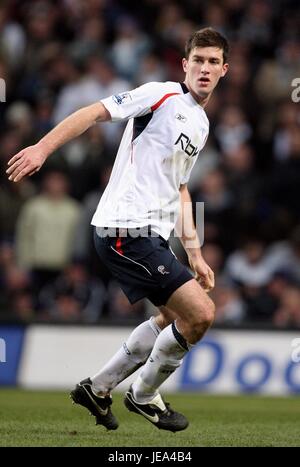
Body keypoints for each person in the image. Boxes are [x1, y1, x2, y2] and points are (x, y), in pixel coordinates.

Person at [6, 27, 229, 432]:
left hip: (149, 235)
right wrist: (42, 148)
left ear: (224, 70)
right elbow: (94, 112)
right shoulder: (160, 94)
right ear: (185, 64)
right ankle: (143, 396)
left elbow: (181, 188)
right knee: (201, 315)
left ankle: (99, 386)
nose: (204, 68)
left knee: (169, 319)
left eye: (213, 62)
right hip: (124, 228)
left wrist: (195, 252)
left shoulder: (201, 123)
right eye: (198, 59)